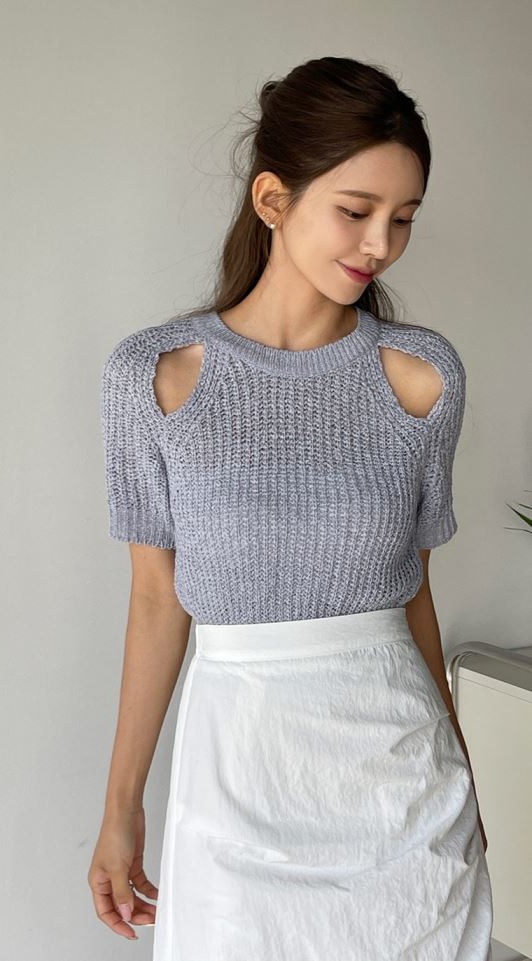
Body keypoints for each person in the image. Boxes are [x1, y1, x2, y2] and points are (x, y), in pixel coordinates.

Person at [87, 55, 494, 960]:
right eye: (356, 210)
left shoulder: (422, 380)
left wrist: (464, 778)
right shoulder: (155, 379)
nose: (380, 243)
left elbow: (415, 595)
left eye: (403, 218)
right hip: (235, 784)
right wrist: (121, 808)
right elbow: (155, 600)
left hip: (403, 793)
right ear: (273, 199)